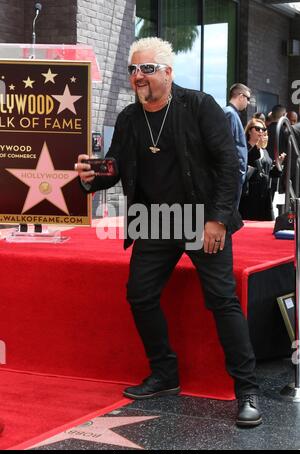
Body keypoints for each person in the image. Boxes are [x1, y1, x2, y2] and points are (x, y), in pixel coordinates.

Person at [75, 37, 262, 428]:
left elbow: (229, 165)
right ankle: (165, 373)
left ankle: (247, 390)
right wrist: (92, 177)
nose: (137, 77)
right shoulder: (129, 118)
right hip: (154, 219)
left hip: (199, 216)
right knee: (139, 294)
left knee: (221, 300)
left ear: (167, 72)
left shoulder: (198, 106)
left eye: (146, 69)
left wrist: (218, 219)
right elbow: (117, 166)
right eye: (132, 70)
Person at [239, 118, 281, 220]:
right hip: (249, 195)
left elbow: (269, 172)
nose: (261, 131)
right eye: (257, 128)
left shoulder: (264, 150)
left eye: (263, 129)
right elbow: (245, 163)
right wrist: (256, 148)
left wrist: (278, 164)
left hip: (264, 195)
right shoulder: (243, 148)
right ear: (249, 130)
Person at [223, 83, 251, 205]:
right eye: (248, 98)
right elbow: (227, 146)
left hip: (234, 174)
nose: (248, 102)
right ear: (241, 96)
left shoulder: (231, 114)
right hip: (231, 175)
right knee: (229, 213)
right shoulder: (230, 113)